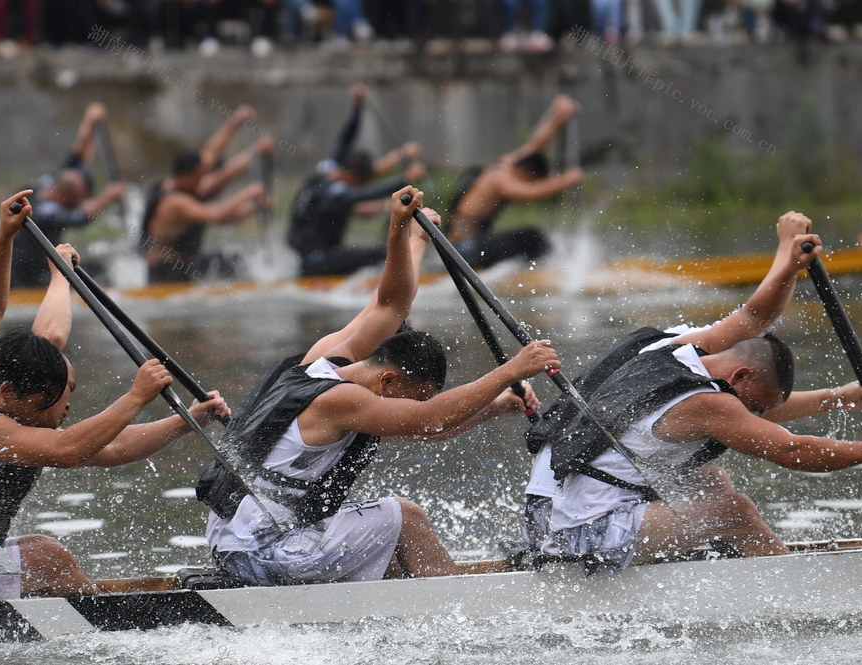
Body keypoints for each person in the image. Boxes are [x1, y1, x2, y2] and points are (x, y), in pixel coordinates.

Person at [520, 211, 862, 567]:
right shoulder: (710, 404)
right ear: (741, 376)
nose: (754, 415)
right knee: (734, 510)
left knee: (712, 482)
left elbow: (752, 317)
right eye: (756, 406)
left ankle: (720, 567)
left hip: (552, 509)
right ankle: (795, 596)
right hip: (569, 533)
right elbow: (790, 449)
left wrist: (833, 396)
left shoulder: (675, 346)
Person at [201, 186, 558, 585]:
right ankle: (462, 606)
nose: (407, 409)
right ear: (388, 379)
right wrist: (511, 370)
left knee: (386, 546)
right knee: (404, 515)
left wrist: (409, 235)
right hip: (260, 551)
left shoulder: (324, 360)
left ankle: (414, 598)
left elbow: (389, 307)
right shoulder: (344, 401)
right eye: (411, 397)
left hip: (239, 540)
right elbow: (428, 421)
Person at [0, 190, 230, 602]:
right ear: (10, 393)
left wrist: (15, 246)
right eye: (56, 398)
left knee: (40, 554)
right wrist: (136, 396)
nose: (65, 408)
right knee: (48, 557)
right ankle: (113, 628)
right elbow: (69, 448)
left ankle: (89, 603)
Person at [287, 84, 426, 277]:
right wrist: (404, 179)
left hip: (307, 258)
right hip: (318, 262)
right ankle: (397, 281)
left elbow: (345, 141)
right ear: (352, 176)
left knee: (369, 252)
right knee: (382, 253)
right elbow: (366, 194)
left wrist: (357, 109)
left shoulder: (328, 169)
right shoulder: (336, 192)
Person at [447, 94, 583, 270]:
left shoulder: (505, 166)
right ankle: (548, 273)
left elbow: (534, 146)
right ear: (526, 174)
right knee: (532, 237)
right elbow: (532, 192)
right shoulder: (500, 180)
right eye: (529, 181)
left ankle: (536, 271)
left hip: (466, 247)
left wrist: (557, 116)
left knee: (528, 237)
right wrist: (567, 179)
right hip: (464, 251)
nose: (527, 184)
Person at [141, 105, 272, 283]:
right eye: (200, 174)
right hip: (166, 274)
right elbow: (217, 215)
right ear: (186, 176)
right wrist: (249, 192)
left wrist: (235, 122)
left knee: (232, 259)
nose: (205, 177)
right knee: (231, 263)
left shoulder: (186, 185)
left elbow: (211, 152)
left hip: (182, 264)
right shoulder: (175, 202)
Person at [11, 102, 126, 289]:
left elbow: (78, 155)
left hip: (41, 267)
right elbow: (82, 216)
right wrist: (109, 196)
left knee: (97, 268)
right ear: (70, 201)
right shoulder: (46, 213)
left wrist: (90, 120)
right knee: (94, 272)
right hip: (29, 277)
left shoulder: (50, 184)